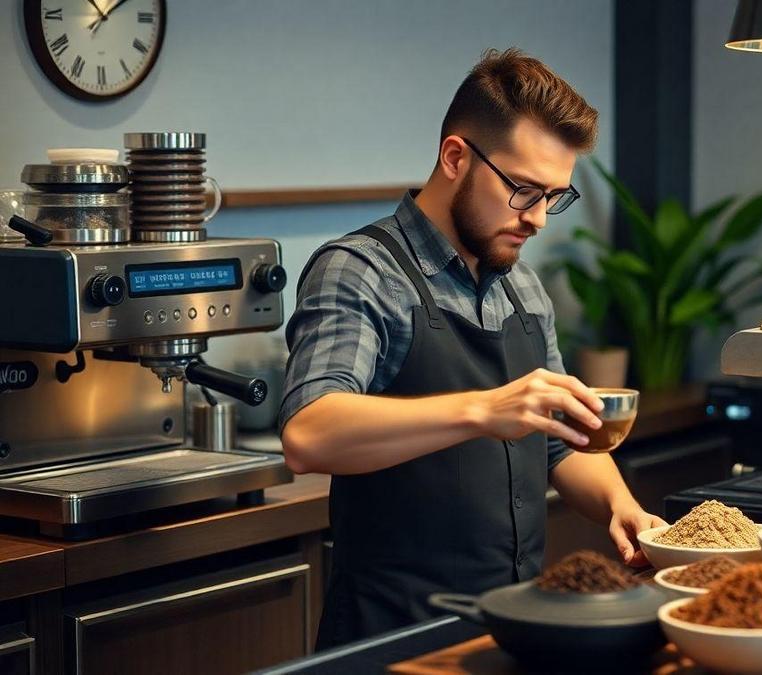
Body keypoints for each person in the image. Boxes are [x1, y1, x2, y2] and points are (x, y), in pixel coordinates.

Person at [279, 48, 666, 649]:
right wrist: (483, 409)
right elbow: (309, 434)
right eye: (523, 190)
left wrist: (620, 503)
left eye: (553, 197)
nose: (538, 218)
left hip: (516, 626)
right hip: (392, 638)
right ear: (456, 156)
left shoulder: (522, 286)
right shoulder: (358, 270)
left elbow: (560, 447)